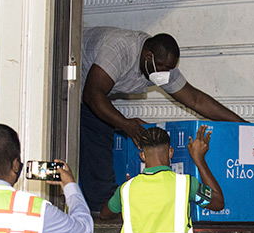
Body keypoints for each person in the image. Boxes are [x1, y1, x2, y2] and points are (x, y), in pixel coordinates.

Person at [79, 26, 245, 213]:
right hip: (70, 82)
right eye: (163, 67)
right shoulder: (120, 49)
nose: (165, 74)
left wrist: (244, 126)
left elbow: (196, 100)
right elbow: (92, 94)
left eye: (170, 69)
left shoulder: (130, 189)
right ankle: (99, 209)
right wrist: (125, 123)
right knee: (100, 128)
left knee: (101, 130)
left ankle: (104, 210)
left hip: (89, 93)